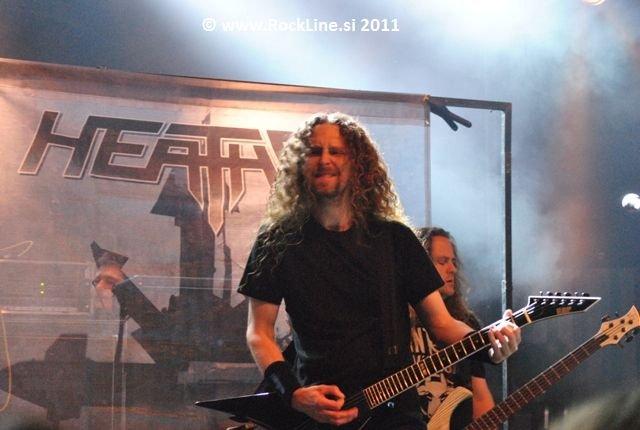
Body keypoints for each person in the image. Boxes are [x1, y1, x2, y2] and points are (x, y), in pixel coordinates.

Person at [237, 112, 521, 429]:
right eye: (315, 151)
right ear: (300, 163)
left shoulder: (394, 239)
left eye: (336, 151)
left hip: (394, 412)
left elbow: (442, 324)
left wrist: (490, 344)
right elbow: (259, 332)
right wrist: (293, 394)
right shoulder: (278, 241)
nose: (324, 160)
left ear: (357, 163)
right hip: (318, 411)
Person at [411, 227, 495, 427]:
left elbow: (480, 397)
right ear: (421, 267)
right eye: (443, 261)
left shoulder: (466, 323)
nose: (453, 269)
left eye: (454, 262)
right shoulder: (398, 321)